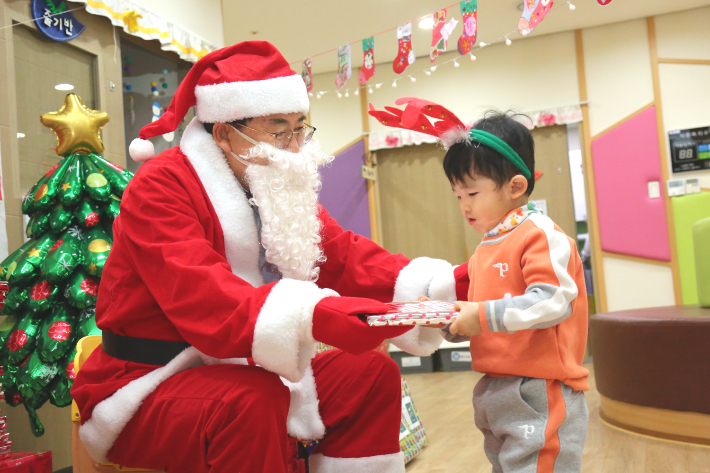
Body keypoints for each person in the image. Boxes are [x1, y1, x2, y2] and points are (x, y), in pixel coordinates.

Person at [71, 42, 469, 473]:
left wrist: (449, 286)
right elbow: (202, 295)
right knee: (250, 401)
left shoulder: (274, 185)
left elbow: (343, 256)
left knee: (370, 373)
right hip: (148, 379)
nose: (295, 144)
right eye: (279, 129)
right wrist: (317, 314)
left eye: (301, 128)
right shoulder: (160, 186)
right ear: (224, 132)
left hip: (244, 368)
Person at [369, 101, 589, 473]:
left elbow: (552, 301)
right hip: (494, 386)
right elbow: (479, 320)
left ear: (515, 186)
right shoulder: (487, 246)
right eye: (458, 196)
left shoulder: (540, 235)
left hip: (539, 386)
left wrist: (480, 315)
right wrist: (447, 319)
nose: (464, 206)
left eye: (472, 194)